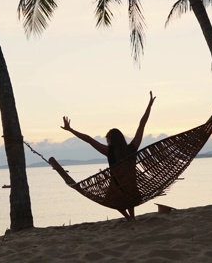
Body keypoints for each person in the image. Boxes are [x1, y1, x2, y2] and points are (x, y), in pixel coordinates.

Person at [61, 91, 156, 221]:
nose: (106, 141)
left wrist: (71, 130)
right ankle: (131, 217)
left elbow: (89, 140)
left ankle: (129, 217)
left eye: (107, 139)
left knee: (113, 200)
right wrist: (149, 106)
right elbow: (142, 125)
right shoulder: (132, 148)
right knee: (129, 196)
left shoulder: (109, 151)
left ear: (111, 140)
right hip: (132, 185)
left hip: (117, 186)